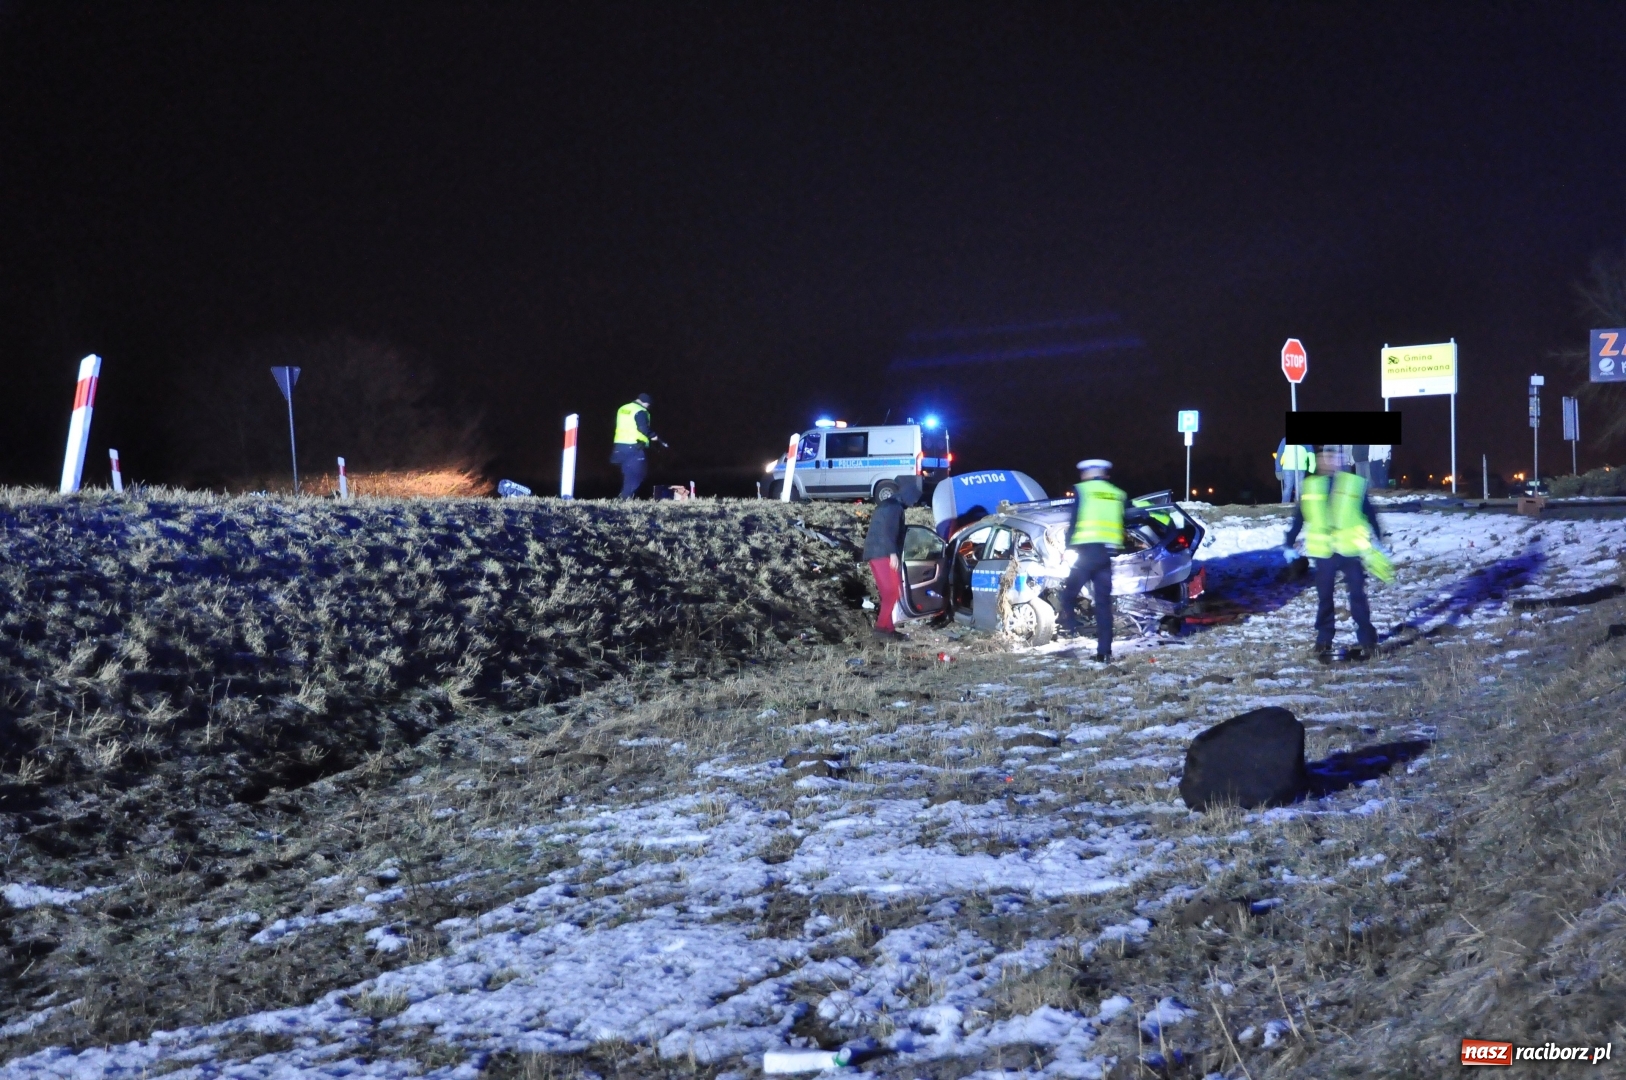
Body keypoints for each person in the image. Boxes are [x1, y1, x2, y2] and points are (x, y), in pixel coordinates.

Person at [1284, 446, 1387, 661]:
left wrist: (1378, 539)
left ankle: (1368, 641)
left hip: (1349, 550)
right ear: (1319, 461)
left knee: (1358, 597)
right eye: (1324, 458)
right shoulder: (1310, 485)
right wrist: (1288, 542)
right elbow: (1299, 517)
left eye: (1332, 458)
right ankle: (1323, 641)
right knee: (1325, 599)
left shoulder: (1354, 483)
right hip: (1324, 553)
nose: (1328, 462)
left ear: (1339, 461)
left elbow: (1369, 513)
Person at [1058, 459, 1145, 662]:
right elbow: (1127, 519)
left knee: (1068, 593)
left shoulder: (1083, 490)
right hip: (1107, 555)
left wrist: (1068, 546)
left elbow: (1074, 520)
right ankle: (1104, 652)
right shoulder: (1117, 493)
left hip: (1088, 552)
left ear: (1088, 473)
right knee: (1103, 605)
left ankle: (1071, 629)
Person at [863, 476, 922, 640]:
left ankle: (888, 629)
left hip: (877, 553)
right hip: (882, 554)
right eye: (914, 497)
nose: (914, 502)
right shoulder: (894, 507)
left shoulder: (889, 504)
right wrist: (892, 554)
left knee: (890, 592)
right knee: (892, 593)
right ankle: (881, 628)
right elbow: (888, 532)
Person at [611, 394, 655, 499]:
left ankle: (625, 496)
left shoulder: (623, 408)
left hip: (620, 446)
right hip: (635, 446)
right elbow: (642, 428)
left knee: (628, 473)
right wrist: (654, 436)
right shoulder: (640, 410)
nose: (648, 407)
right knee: (638, 473)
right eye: (648, 405)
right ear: (646, 402)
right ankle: (625, 497)